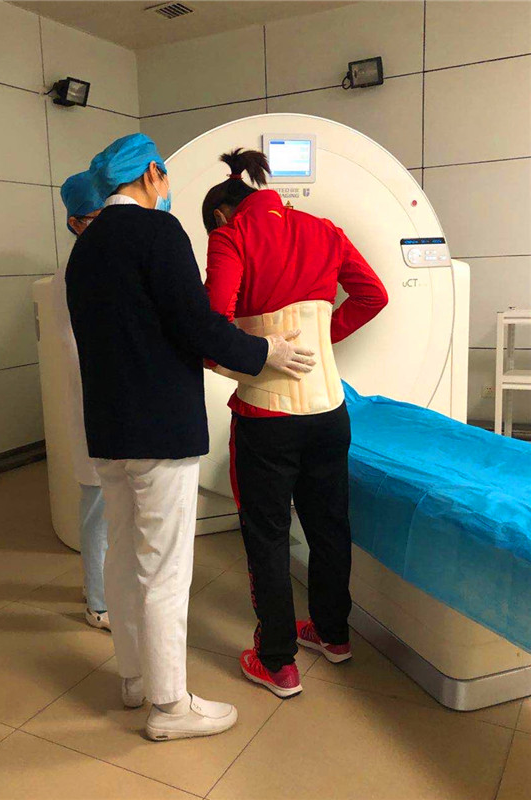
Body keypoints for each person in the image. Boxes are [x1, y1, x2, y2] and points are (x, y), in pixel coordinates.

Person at [65, 133, 315, 741]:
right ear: (153, 173)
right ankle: (170, 707)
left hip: (110, 429)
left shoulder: (85, 246)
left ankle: (134, 680)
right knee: (165, 571)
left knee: (124, 558)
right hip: (160, 428)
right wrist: (264, 352)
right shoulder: (159, 232)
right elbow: (196, 325)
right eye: (165, 175)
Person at [202, 148, 388, 698]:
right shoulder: (325, 229)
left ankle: (277, 661)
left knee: (267, 535)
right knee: (329, 527)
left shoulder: (230, 236)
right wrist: (320, 341)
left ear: (221, 213)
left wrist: (262, 352)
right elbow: (373, 295)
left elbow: (213, 330)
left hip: (267, 417)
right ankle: (333, 635)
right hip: (330, 412)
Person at [53, 171, 110, 631]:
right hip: (98, 403)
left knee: (105, 505)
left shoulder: (94, 264)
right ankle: (99, 602)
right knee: (99, 505)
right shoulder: (77, 271)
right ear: (75, 222)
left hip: (105, 403)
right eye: (97, 217)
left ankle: (99, 587)